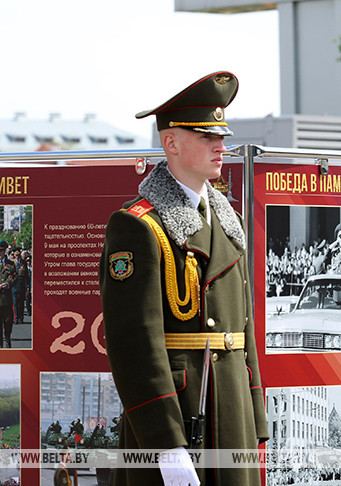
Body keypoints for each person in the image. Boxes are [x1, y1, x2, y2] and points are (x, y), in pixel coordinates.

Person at [99, 71, 268, 486]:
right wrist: (165, 442)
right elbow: (134, 345)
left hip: (231, 408)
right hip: (179, 412)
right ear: (171, 143)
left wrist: (255, 415)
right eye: (206, 137)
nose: (220, 146)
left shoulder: (229, 222)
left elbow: (243, 330)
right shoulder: (139, 225)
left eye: (221, 136)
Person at [0, 244, 17, 349]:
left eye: (1, 251)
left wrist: (8, 283)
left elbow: (15, 277)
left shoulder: (10, 264)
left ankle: (7, 338)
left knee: (8, 323)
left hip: (6, 299)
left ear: (4, 251)